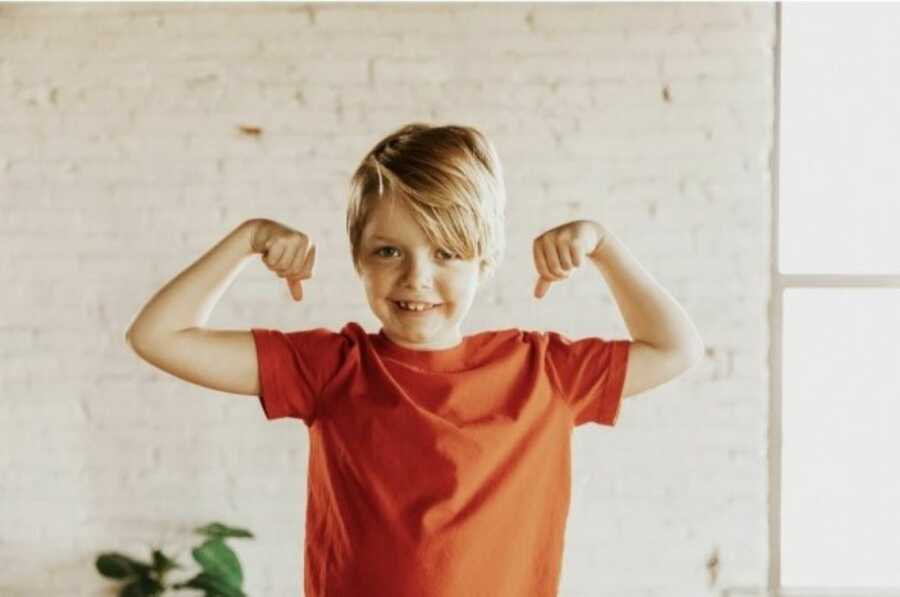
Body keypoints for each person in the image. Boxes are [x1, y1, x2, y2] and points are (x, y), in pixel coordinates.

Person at [125, 122, 704, 597]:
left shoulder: (543, 372)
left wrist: (602, 246)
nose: (416, 277)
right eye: (388, 251)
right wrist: (248, 239)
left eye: (447, 252)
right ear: (358, 258)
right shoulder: (330, 367)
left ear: (486, 260)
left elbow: (676, 348)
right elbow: (159, 335)